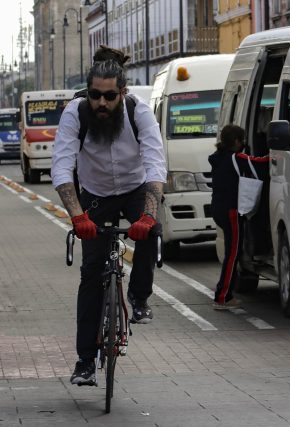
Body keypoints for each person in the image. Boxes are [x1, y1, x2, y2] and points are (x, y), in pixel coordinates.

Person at [51, 46, 167, 386]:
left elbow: (155, 164)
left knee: (153, 230)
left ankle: (139, 297)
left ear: (123, 92)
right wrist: (76, 216)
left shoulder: (139, 112)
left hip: (134, 188)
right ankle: (85, 361)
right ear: (88, 92)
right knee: (90, 277)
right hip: (95, 193)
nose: (102, 103)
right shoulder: (76, 113)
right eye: (95, 95)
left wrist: (146, 216)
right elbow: (61, 166)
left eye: (110, 96)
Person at [208, 125, 268, 309]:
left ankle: (225, 294)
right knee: (232, 255)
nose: (243, 144)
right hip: (231, 211)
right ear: (235, 141)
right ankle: (222, 297)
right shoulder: (236, 158)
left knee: (232, 253)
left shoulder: (217, 158)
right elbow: (260, 162)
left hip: (218, 208)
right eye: (241, 141)